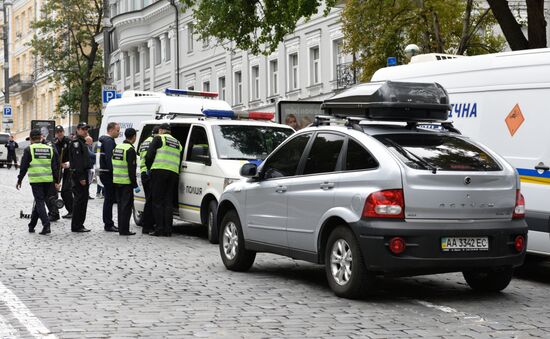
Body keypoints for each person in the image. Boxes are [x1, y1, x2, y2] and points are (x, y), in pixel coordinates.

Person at [16, 129, 60, 235]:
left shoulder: (29, 149)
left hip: (36, 180)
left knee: (39, 201)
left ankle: (46, 225)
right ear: (41, 137)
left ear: (31, 138)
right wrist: (57, 181)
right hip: (48, 180)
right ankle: (31, 225)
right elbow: (55, 167)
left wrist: (19, 179)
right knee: (38, 201)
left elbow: (24, 167)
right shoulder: (49, 149)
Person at [145, 123, 182, 237]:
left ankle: (159, 229)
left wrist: (149, 167)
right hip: (173, 172)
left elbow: (149, 155)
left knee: (157, 201)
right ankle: (168, 230)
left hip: (159, 171)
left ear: (161, 130)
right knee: (168, 201)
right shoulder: (177, 143)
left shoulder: (158, 138)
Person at [112, 128, 139, 236]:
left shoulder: (117, 147)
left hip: (116, 180)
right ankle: (124, 230)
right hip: (126, 182)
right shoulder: (130, 149)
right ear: (133, 137)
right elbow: (131, 169)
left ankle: (121, 228)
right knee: (126, 207)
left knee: (120, 206)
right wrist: (135, 184)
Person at [69, 122, 92, 233]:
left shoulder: (82, 142)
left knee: (83, 201)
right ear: (77, 130)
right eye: (83, 129)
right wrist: (81, 177)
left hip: (83, 174)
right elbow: (78, 162)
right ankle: (77, 225)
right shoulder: (76, 143)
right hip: (79, 175)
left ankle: (79, 224)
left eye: (86, 129)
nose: (85, 131)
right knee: (79, 201)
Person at [99, 122, 120, 232]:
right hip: (108, 173)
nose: (118, 132)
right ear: (111, 130)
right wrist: (114, 172)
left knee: (108, 199)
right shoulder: (108, 141)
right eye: (117, 130)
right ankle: (108, 223)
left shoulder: (105, 140)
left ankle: (108, 222)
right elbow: (109, 158)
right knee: (109, 199)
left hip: (104, 173)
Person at [138, 126, 159, 234]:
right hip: (149, 172)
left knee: (148, 200)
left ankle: (146, 224)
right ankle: (148, 226)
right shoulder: (154, 142)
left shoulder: (145, 141)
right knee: (151, 201)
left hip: (143, 171)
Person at [52, 126, 73, 219]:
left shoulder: (69, 141)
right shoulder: (54, 142)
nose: (59, 133)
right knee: (53, 189)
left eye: (61, 131)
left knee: (66, 191)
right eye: (57, 132)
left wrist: (68, 163)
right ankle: (54, 211)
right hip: (58, 167)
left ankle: (71, 210)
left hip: (68, 166)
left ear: (63, 132)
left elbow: (73, 155)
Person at [85, 136, 96, 200]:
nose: (92, 142)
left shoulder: (90, 146)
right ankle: (86, 194)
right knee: (88, 181)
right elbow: (90, 154)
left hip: (91, 165)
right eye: (91, 141)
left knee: (89, 181)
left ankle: (87, 194)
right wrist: (96, 155)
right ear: (88, 141)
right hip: (88, 166)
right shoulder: (86, 146)